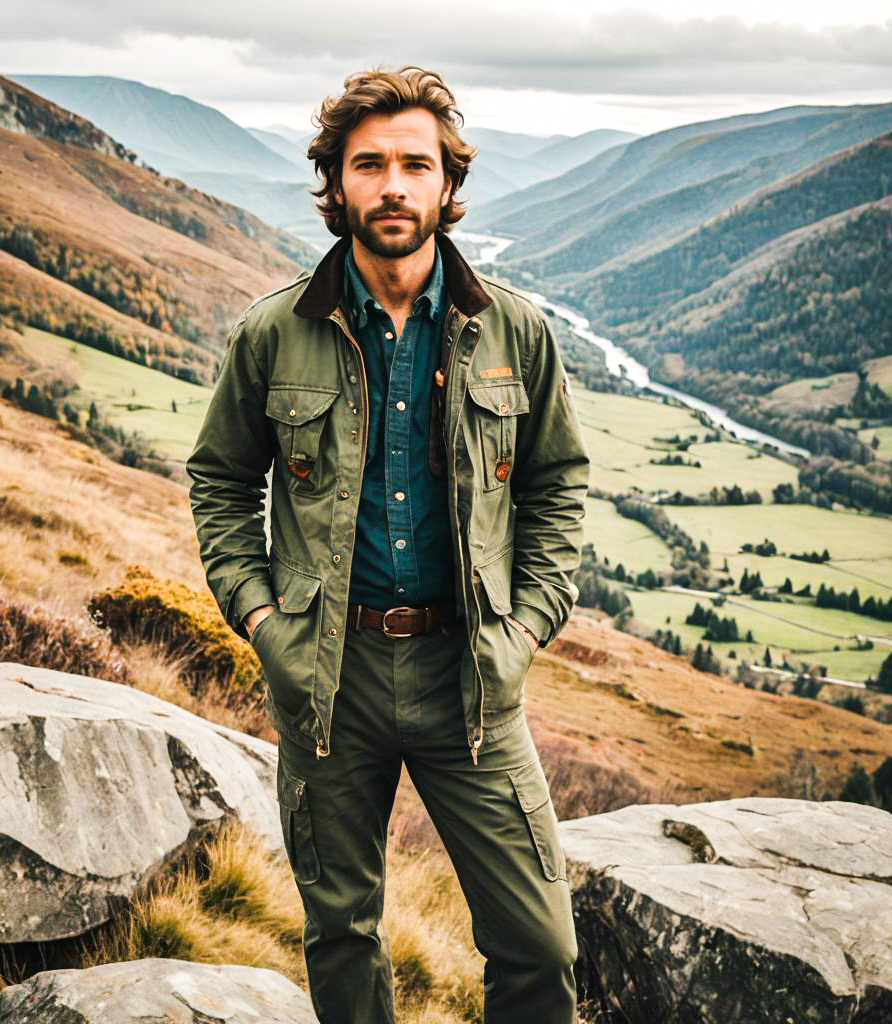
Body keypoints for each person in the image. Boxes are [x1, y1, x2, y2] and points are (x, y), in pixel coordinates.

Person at [187, 65, 590, 1024]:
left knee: (540, 943)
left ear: (450, 185)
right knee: (342, 932)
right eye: (370, 164)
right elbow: (218, 481)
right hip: (330, 673)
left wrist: (526, 628)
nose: (395, 186)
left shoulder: (515, 333)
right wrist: (260, 619)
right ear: (337, 183)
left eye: (418, 164)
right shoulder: (272, 334)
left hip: (473, 675)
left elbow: (558, 482)